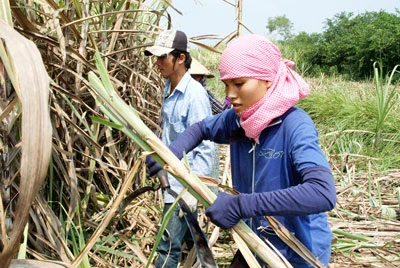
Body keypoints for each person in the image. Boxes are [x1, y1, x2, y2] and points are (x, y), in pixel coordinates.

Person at [146, 34, 337, 267]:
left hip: (298, 252)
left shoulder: (294, 125)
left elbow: (322, 193)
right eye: (226, 85)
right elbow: (200, 129)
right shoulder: (238, 120)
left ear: (267, 80)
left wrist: (240, 205)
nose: (230, 95)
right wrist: (170, 153)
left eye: (239, 84)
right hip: (257, 243)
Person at [144, 29, 216, 268]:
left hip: (185, 185)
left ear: (181, 58)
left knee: (167, 245)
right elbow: (169, 134)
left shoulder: (194, 95)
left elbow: (206, 145)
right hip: (173, 179)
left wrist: (194, 190)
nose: (158, 62)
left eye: (163, 56)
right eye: (156, 57)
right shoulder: (169, 87)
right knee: (192, 238)